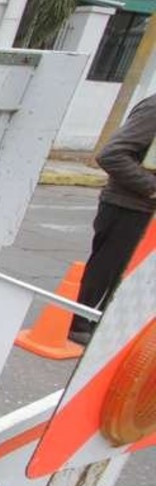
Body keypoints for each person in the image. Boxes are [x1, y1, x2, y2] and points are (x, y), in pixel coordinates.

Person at [69, 94, 156, 345]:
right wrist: (151, 187)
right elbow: (112, 155)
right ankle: (80, 323)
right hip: (129, 206)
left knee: (131, 273)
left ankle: (104, 326)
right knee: (108, 268)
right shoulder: (153, 109)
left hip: (145, 208)